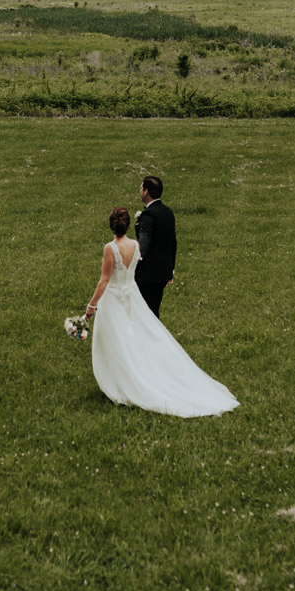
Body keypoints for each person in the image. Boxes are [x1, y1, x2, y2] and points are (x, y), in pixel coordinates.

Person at [83, 206, 237, 418]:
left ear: (111, 226)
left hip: (115, 297)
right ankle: (133, 372)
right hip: (132, 295)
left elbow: (105, 280)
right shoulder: (135, 245)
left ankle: (122, 381)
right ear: (127, 225)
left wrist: (92, 304)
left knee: (116, 339)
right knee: (134, 334)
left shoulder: (110, 248)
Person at [133, 176, 174, 318]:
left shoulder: (148, 215)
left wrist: (135, 259)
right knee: (153, 310)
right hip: (163, 272)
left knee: (144, 313)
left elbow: (144, 240)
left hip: (148, 274)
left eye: (141, 188)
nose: (140, 191)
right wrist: (171, 268)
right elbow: (172, 241)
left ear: (146, 192)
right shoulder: (168, 212)